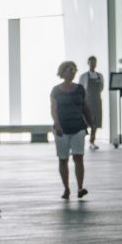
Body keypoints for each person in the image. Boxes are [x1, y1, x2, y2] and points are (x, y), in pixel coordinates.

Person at [50, 62, 89, 200]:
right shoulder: (56, 90)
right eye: (69, 70)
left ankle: (80, 187)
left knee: (78, 157)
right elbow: (54, 109)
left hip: (78, 126)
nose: (72, 72)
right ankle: (66, 188)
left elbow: (85, 107)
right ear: (62, 72)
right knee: (63, 159)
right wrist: (57, 125)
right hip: (62, 128)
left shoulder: (80, 89)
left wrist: (90, 123)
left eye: (74, 70)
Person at [80, 56, 105, 147]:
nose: (93, 64)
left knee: (95, 122)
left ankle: (92, 141)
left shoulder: (100, 76)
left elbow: (101, 87)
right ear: (88, 63)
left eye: (94, 62)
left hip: (97, 100)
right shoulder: (84, 76)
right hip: (87, 100)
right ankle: (81, 139)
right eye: (91, 62)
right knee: (85, 120)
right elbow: (81, 89)